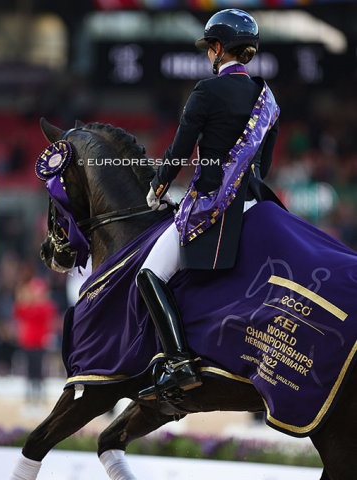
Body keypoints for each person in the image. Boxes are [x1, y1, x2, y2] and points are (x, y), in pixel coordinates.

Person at [137, 8, 283, 401]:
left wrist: (159, 185)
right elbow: (264, 167)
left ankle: (178, 360)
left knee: (149, 275)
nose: (207, 55)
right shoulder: (267, 101)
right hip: (256, 203)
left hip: (213, 206)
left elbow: (180, 149)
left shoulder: (205, 91)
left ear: (219, 49)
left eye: (209, 48)